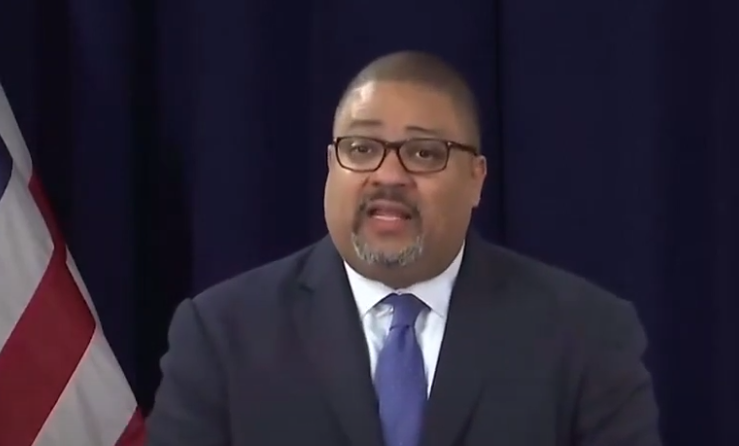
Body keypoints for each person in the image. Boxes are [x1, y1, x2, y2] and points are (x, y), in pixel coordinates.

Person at [145, 51, 662, 446]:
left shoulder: (586, 335)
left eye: (424, 153)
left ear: (476, 179)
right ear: (331, 166)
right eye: (361, 149)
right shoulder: (220, 333)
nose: (388, 176)